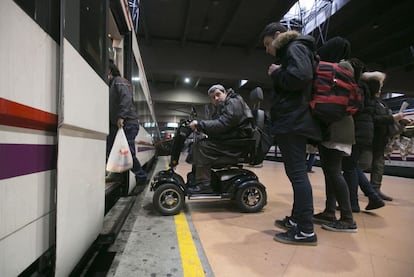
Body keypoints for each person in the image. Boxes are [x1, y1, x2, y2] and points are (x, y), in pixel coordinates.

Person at [261, 22, 321, 245]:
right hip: (294, 120)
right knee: (296, 173)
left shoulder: (295, 47)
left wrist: (278, 73)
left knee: (297, 174)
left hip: (293, 120)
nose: (267, 50)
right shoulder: (297, 48)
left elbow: (300, 77)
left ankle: (306, 230)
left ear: (278, 35)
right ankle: (298, 220)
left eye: (268, 44)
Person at [186, 84, 254, 194]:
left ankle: (204, 184)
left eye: (218, 94)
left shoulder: (233, 102)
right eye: (213, 97)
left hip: (236, 144)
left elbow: (224, 124)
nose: (216, 98)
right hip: (230, 140)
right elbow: (218, 127)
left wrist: (201, 125)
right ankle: (197, 177)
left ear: (225, 93)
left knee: (201, 147)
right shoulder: (223, 107)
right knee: (196, 144)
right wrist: (202, 129)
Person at [342, 58, 384, 212]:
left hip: (357, 131)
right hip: (365, 133)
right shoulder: (369, 92)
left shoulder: (359, 88)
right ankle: (373, 196)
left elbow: (356, 109)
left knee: (349, 167)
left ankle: (353, 204)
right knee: (351, 166)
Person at [106, 59, 148, 192]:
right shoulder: (112, 84)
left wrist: (121, 116)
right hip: (117, 124)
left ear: (109, 70)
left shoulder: (120, 81)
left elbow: (126, 99)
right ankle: (116, 173)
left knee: (127, 152)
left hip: (128, 123)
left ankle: (141, 177)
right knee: (111, 149)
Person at [363, 71, 405, 201]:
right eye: (379, 86)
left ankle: (375, 190)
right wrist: (392, 118)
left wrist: (400, 121)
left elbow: (385, 119)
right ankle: (353, 189)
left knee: (378, 166)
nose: (381, 90)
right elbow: (373, 119)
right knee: (362, 165)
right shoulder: (369, 102)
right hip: (369, 140)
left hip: (381, 140)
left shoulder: (382, 103)